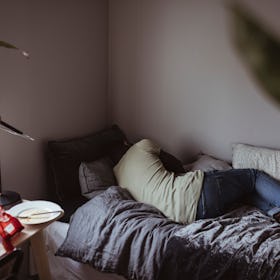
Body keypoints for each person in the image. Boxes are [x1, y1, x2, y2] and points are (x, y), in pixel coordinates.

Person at [114, 139, 280, 224]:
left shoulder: (117, 174)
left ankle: (273, 212)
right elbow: (178, 166)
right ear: (126, 143)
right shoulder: (142, 145)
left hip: (189, 217)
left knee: (241, 191)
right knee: (253, 176)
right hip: (196, 191)